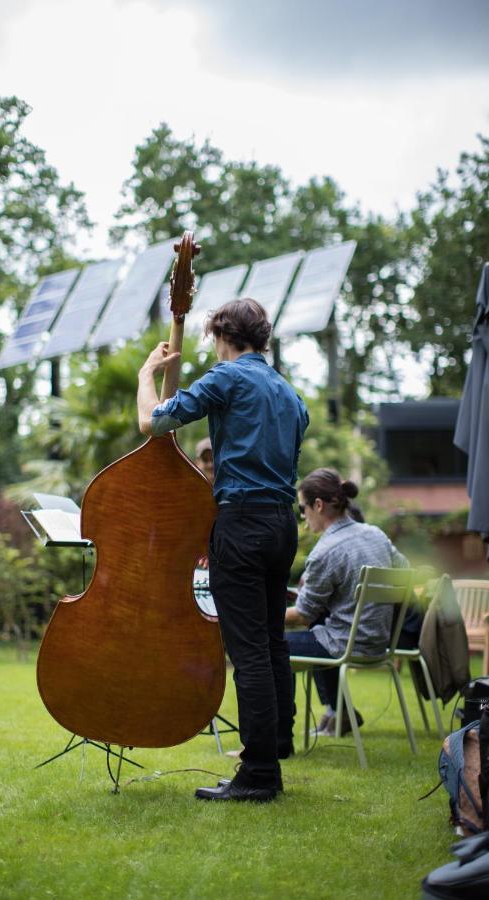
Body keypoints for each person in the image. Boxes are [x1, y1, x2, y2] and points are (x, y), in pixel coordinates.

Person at [137, 298, 309, 803]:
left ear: (221, 336)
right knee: (273, 642)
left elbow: (155, 424)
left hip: (242, 523)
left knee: (249, 651)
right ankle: (277, 744)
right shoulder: (290, 394)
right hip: (282, 526)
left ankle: (257, 775)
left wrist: (149, 373)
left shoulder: (228, 377)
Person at [284, 467, 408, 737]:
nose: (303, 517)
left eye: (303, 508)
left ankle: (279, 736)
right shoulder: (376, 534)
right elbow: (405, 571)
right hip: (380, 641)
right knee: (318, 630)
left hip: (346, 644)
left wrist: (260, 617)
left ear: (318, 505)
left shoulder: (325, 551)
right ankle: (338, 715)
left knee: (273, 645)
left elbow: (303, 615)